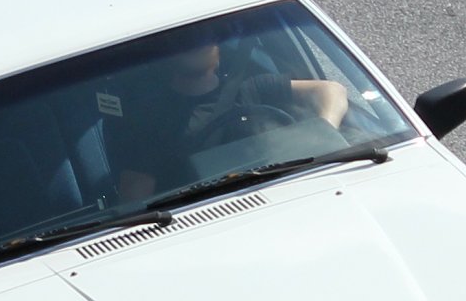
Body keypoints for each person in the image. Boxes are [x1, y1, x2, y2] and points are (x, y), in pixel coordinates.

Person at [114, 29, 349, 201]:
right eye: (182, 41)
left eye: (200, 37)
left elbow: (331, 90)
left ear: (217, 46)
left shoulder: (252, 87)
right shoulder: (151, 122)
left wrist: (322, 134)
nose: (194, 45)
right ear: (167, 54)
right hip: (204, 210)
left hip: (284, 188)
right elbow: (136, 200)